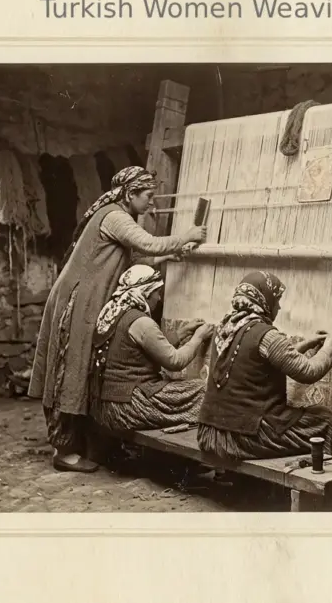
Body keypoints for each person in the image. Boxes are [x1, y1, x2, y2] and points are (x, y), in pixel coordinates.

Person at [28, 166, 207, 473]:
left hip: (87, 299)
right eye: (148, 196)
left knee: (81, 371)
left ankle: (80, 443)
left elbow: (133, 258)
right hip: (77, 301)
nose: (151, 202)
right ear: (130, 194)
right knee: (70, 371)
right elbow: (148, 243)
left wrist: (167, 256)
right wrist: (186, 236)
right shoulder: (114, 216)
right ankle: (63, 450)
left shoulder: (118, 217)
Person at [196, 271, 332, 460]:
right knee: (327, 420)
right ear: (265, 301)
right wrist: (330, 345)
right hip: (244, 438)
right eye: (277, 300)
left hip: (211, 433)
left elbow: (261, 358)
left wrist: (306, 344)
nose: (279, 307)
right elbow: (308, 372)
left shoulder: (225, 328)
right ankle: (323, 473)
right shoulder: (267, 335)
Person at [88, 264, 214, 433]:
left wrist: (181, 333)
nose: (159, 298)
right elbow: (175, 361)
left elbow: (148, 346)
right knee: (203, 390)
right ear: (146, 292)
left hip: (106, 404)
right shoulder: (141, 322)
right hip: (131, 406)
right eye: (157, 292)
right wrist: (199, 337)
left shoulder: (114, 313)